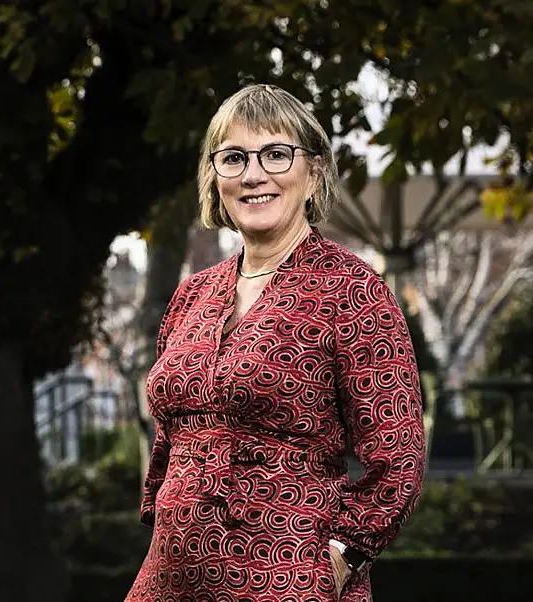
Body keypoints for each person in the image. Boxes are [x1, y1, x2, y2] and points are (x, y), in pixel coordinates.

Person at [125, 84, 425, 602]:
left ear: (312, 173)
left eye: (276, 154)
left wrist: (342, 556)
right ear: (214, 177)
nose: (253, 174)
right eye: (234, 158)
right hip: (171, 577)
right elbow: (166, 442)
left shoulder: (353, 290)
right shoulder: (192, 294)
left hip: (285, 578)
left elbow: (398, 457)